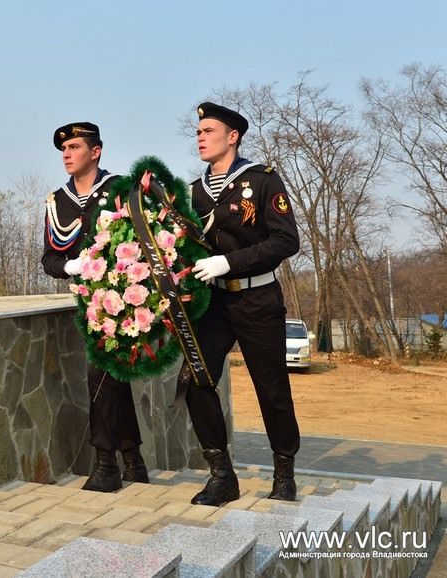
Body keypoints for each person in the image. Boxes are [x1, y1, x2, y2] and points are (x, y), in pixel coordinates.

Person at [186, 102, 301, 505]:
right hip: (214, 303)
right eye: (198, 132)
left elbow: (286, 241)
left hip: (257, 298)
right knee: (195, 379)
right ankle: (222, 475)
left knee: (271, 389)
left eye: (208, 131)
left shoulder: (262, 180)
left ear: (232, 137)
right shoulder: (194, 192)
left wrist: (229, 262)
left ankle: (284, 474)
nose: (200, 137)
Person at [42, 122, 149, 492]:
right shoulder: (57, 201)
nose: (67, 154)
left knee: (99, 375)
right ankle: (133, 461)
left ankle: (106, 464)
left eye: (74, 147)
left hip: (125, 300)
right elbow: (49, 259)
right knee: (111, 378)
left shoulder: (120, 189)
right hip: (88, 303)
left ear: (96, 151)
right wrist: (70, 266)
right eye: (64, 149)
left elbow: (144, 239)